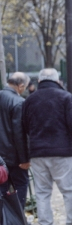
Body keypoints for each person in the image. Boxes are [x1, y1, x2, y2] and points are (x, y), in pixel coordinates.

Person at [22, 68, 72, 225]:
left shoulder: (29, 100)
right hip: (61, 152)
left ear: (39, 81)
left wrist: (24, 156)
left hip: (37, 153)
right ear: (57, 80)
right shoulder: (65, 97)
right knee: (69, 191)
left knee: (42, 193)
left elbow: (22, 129)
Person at [0, 72, 31, 208]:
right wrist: (24, 159)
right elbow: (19, 134)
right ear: (21, 86)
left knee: (2, 187)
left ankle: (4, 220)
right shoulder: (19, 102)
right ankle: (18, 219)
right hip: (13, 157)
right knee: (21, 184)